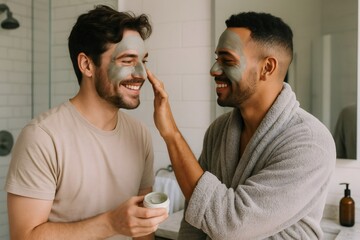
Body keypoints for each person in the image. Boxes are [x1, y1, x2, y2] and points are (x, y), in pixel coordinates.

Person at [147, 11, 336, 239]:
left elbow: (232, 225)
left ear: (268, 68)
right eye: (216, 58)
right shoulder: (218, 131)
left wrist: (171, 134)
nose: (214, 70)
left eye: (227, 60)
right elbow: (194, 218)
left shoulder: (310, 142)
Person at [5, 5, 168, 240]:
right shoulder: (42, 137)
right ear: (87, 65)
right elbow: (23, 236)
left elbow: (142, 228)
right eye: (127, 60)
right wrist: (111, 223)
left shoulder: (139, 134)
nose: (141, 73)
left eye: (143, 60)